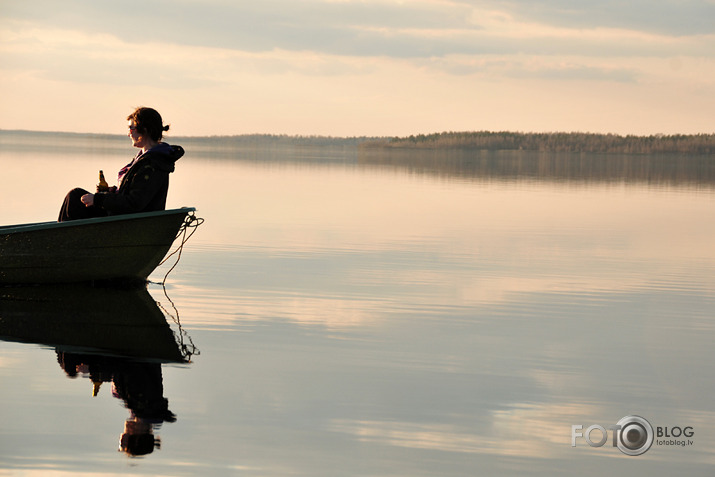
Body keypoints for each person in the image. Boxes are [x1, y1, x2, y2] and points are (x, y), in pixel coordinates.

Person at [58, 107, 184, 222]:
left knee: (75, 197)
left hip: (131, 223)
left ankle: (61, 241)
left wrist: (98, 199)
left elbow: (135, 203)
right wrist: (109, 191)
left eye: (131, 128)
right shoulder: (145, 159)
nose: (129, 133)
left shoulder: (152, 163)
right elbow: (131, 194)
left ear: (144, 130)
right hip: (123, 216)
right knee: (75, 196)